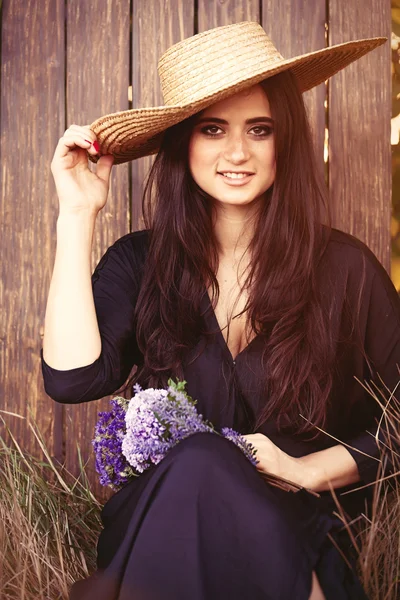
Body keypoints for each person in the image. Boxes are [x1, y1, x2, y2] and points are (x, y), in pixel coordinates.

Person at [41, 21, 396, 600]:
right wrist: (77, 216)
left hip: (298, 527)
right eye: (213, 130)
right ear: (184, 142)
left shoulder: (345, 270)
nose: (237, 152)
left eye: (259, 129)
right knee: (199, 461)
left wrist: (309, 470)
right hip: (164, 528)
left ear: (286, 141)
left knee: (204, 461)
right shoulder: (140, 262)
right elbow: (72, 378)